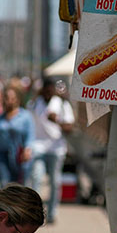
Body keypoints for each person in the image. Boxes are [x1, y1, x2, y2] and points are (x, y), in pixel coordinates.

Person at [28, 78, 74, 224]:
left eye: (50, 90)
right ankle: (36, 213)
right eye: (45, 90)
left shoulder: (61, 104)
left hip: (56, 149)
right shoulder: (35, 103)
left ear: (53, 90)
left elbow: (70, 128)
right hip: (38, 147)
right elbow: (29, 125)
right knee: (37, 178)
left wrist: (57, 121)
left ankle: (52, 213)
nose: (48, 93)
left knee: (55, 181)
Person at [0, 86, 34, 185]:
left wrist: (27, 149)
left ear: (17, 100)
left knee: (19, 185)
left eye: (12, 98)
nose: (9, 101)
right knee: (4, 183)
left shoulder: (25, 116)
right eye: (6, 98)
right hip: (1, 155)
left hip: (18, 156)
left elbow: (30, 135)